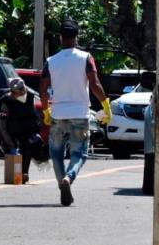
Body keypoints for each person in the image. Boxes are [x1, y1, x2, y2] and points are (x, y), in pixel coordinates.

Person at [39, 18, 112, 207]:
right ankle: (69, 178)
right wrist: (105, 105)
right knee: (79, 154)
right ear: (76, 37)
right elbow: (95, 83)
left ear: (61, 38)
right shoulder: (86, 58)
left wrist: (47, 109)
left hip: (58, 114)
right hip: (80, 113)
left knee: (55, 153)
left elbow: (43, 87)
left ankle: (61, 181)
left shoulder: (50, 61)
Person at [0, 78, 43, 184]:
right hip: (13, 133)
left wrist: (38, 132)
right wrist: (10, 143)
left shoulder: (30, 96)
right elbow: (3, 124)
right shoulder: (6, 101)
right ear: (13, 92)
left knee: (33, 148)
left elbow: (34, 115)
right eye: (20, 91)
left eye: (24, 90)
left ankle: (23, 174)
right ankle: (19, 175)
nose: (23, 93)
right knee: (16, 152)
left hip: (29, 132)